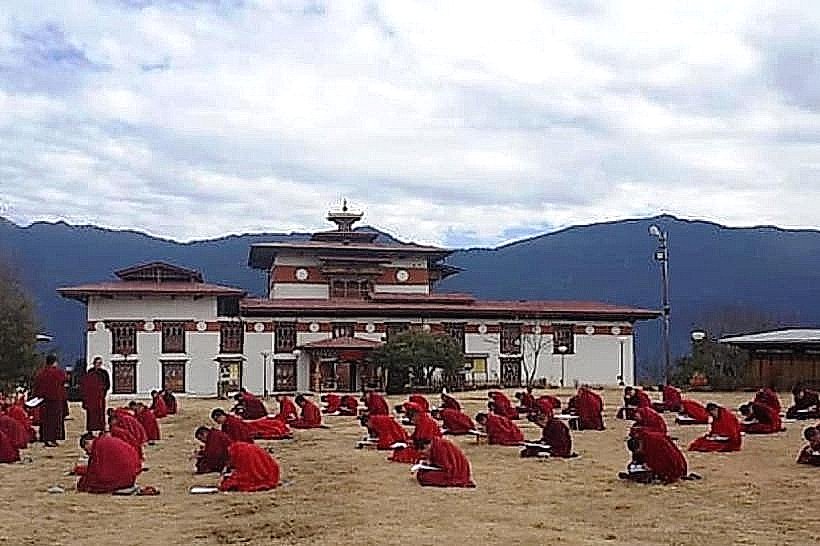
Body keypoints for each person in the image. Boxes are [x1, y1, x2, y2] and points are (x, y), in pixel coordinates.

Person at [76, 433, 141, 494]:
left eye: (86, 450)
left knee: (92, 484)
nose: (88, 453)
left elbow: (95, 472)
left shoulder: (97, 446)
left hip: (123, 479)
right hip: (132, 477)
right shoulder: (106, 440)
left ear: (87, 443)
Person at [620, 430, 689, 484]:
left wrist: (650, 466)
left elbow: (662, 462)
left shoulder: (654, 443)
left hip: (675, 468)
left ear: (640, 445)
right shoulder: (642, 440)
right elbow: (638, 458)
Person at [33, 354, 68, 447]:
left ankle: (45, 438)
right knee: (55, 421)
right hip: (56, 400)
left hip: (44, 401)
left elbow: (36, 386)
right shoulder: (58, 372)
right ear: (54, 362)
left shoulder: (41, 373)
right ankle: (53, 439)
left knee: (45, 421)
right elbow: (64, 380)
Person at [80, 356, 110, 433]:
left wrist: (103, 392)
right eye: (97, 363)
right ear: (94, 363)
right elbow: (86, 384)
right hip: (91, 397)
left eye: (100, 363)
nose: (99, 365)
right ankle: (90, 429)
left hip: (100, 396)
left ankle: (101, 428)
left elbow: (107, 384)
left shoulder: (104, 373)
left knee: (100, 413)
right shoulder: (90, 372)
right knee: (91, 414)